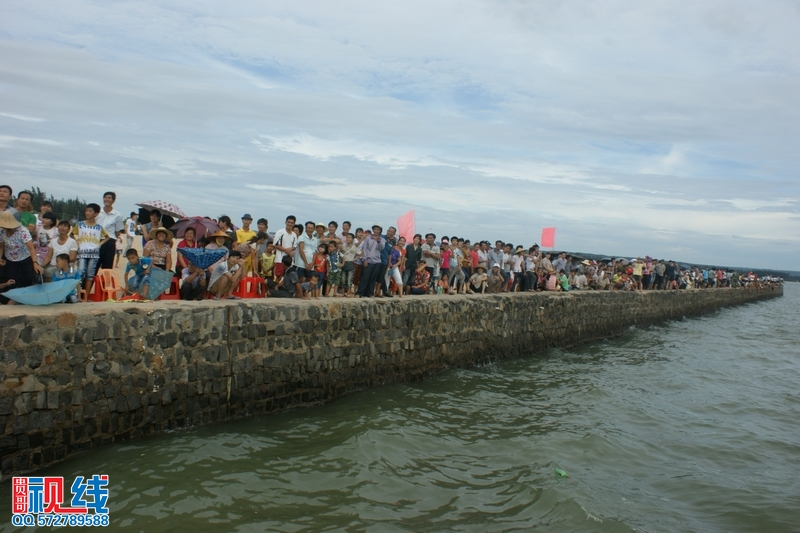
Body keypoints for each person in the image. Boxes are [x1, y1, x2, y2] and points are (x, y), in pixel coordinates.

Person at [0, 211, 44, 304]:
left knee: (27, 279)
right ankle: (11, 300)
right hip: (10, 258)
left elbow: (31, 248)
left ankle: (26, 300)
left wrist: (35, 262)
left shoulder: (22, 231)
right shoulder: (2, 231)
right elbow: (1, 246)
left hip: (24, 257)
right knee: (11, 280)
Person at [72, 203, 109, 299]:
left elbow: (107, 237)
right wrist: (77, 243)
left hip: (94, 254)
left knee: (90, 275)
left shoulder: (99, 227)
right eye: (86, 210)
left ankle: (86, 297)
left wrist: (99, 244)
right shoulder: (80, 224)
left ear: (96, 214)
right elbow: (72, 234)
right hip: (82, 253)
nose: (87, 213)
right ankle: (78, 295)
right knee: (80, 273)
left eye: (90, 211)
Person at [96, 192, 124, 270]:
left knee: (107, 267)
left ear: (113, 200)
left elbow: (118, 231)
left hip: (110, 242)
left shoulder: (117, 215)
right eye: (105, 197)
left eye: (109, 198)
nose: (107, 199)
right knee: (93, 266)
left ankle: (105, 282)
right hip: (97, 240)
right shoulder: (97, 212)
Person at [356, 224, 385, 298]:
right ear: (373, 230)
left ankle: (370, 293)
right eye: (375, 229)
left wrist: (378, 241)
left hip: (377, 261)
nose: (376, 231)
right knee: (365, 277)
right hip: (368, 261)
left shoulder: (382, 239)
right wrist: (365, 260)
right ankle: (360, 293)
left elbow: (381, 248)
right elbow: (365, 249)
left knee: (373, 278)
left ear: (380, 231)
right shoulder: (368, 238)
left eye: (378, 230)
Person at [272, 215, 298, 279]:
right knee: (278, 277)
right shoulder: (280, 232)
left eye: (292, 223)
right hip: (280, 259)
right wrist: (288, 252)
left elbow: (295, 246)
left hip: (289, 261)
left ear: (294, 224)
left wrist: (291, 249)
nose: (290, 224)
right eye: (288, 222)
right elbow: (276, 245)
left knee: (288, 278)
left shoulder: (294, 235)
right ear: (285, 222)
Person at [340, 232, 361, 297]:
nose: (348, 239)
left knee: (349, 279)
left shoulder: (354, 246)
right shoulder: (343, 245)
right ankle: (343, 292)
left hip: (350, 263)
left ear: (352, 239)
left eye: (349, 237)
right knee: (343, 279)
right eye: (347, 237)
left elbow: (360, 254)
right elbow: (340, 251)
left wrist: (354, 259)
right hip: (344, 263)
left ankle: (348, 293)